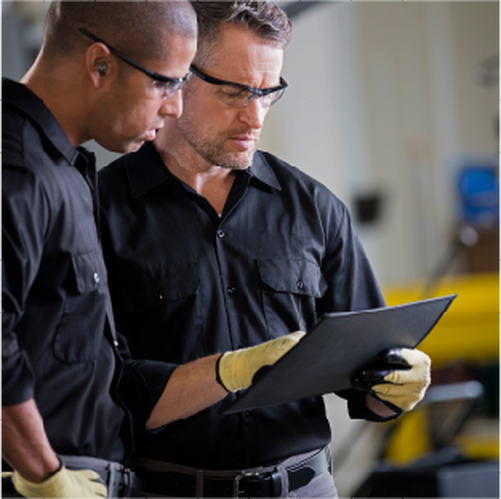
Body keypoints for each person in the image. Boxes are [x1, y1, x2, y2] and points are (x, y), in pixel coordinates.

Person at [98, 0, 432, 497]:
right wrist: (227, 372)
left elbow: (367, 379)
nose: (254, 116)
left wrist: (397, 387)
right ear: (177, 76)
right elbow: (102, 391)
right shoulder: (97, 212)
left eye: (268, 92)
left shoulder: (314, 208)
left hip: (306, 487)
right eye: (235, 92)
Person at [0, 0, 307, 497]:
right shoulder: (16, 170)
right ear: (99, 64)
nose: (174, 106)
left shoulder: (67, 170)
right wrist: (42, 474)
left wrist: (232, 369)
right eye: (165, 83)